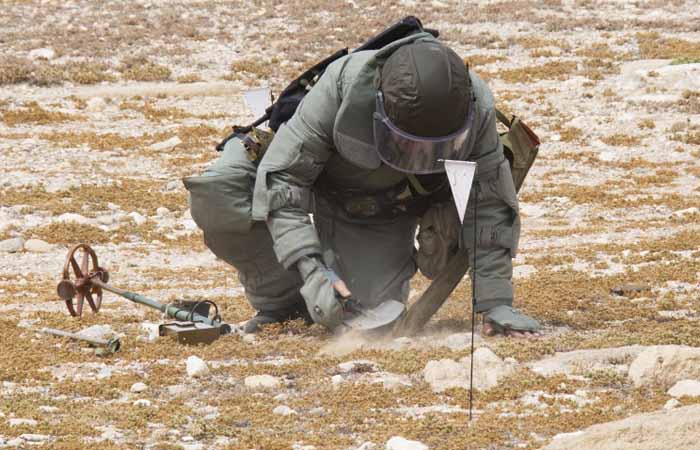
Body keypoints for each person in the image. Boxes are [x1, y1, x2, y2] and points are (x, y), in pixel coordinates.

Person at [187, 31, 540, 337]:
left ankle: (325, 296)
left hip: (375, 206)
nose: (421, 155)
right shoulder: (341, 88)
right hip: (313, 171)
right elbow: (285, 181)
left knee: (364, 317)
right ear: (380, 109)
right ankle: (284, 304)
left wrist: (495, 302)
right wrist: (313, 273)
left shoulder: (475, 107)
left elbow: (490, 201)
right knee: (223, 191)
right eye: (409, 144)